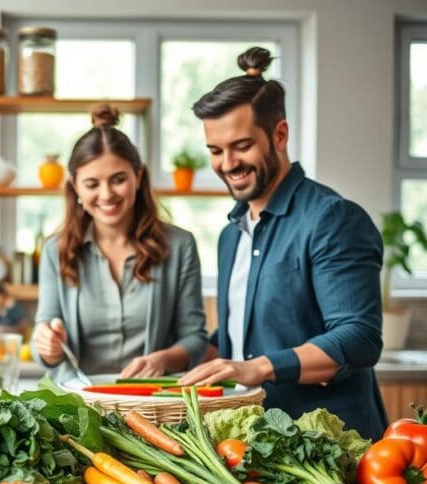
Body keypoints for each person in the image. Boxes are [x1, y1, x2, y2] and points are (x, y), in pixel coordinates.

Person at [179, 47, 387, 439]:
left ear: (280, 134)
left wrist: (257, 367)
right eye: (215, 151)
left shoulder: (333, 218)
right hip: (262, 442)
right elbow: (239, 336)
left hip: (333, 446)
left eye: (241, 146)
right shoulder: (231, 234)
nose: (227, 164)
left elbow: (359, 337)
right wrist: (173, 360)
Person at [32, 104, 208, 383]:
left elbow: (195, 339)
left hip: (154, 403)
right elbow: (44, 339)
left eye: (118, 180)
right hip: (81, 404)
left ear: (138, 177)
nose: (106, 194)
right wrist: (48, 346)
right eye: (92, 184)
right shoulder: (56, 250)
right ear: (75, 186)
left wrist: (162, 360)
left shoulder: (180, 245)